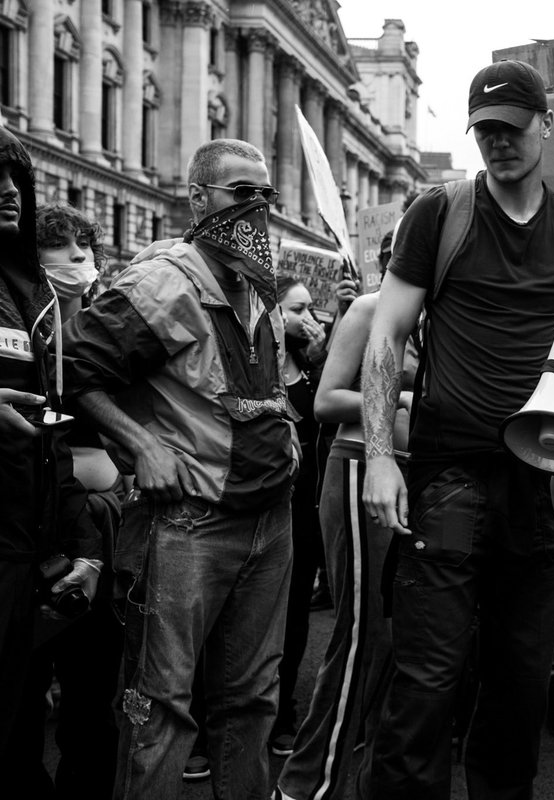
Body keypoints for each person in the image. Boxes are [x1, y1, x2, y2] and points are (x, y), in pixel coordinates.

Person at [359, 59, 554, 799]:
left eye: (513, 128)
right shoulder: (439, 212)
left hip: (540, 482)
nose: (498, 143)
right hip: (449, 476)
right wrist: (378, 456)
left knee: (521, 678)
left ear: (545, 126)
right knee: (428, 676)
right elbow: (386, 335)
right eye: (485, 131)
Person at [62, 138, 296, 798]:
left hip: (268, 523)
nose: (258, 208)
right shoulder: (162, 282)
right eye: (241, 193)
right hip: (187, 526)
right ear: (198, 198)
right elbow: (74, 369)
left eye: (265, 194)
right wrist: (142, 443)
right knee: (157, 707)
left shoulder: (255, 282)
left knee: (252, 701)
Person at [276, 255, 416, 800]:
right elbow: (325, 400)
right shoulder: (371, 308)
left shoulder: (449, 314)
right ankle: (305, 785)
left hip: (422, 476)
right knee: (363, 635)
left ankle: (362, 780)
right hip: (361, 465)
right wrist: (405, 399)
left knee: (404, 639)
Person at [0, 131, 102, 760]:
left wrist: (82, 549)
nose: (9, 191)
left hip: (24, 546)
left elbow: (50, 436)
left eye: (15, 176)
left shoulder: (29, 295)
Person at [270, 277, 329, 756]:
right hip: (260, 501)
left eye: (312, 307)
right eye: (299, 308)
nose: (309, 317)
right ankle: (211, 721)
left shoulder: (314, 368)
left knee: (292, 614)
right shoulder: (248, 363)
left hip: (304, 507)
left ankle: (281, 709)